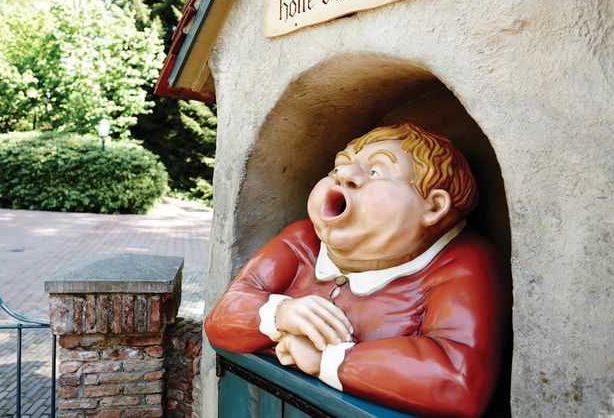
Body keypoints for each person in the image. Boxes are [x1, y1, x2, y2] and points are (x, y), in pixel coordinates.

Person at [205, 123, 506, 417]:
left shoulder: (463, 263)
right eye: (337, 168)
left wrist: (328, 360)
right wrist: (281, 314)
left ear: (433, 207)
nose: (344, 175)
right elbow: (222, 319)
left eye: (375, 172)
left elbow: (458, 381)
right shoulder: (303, 239)